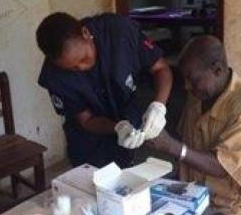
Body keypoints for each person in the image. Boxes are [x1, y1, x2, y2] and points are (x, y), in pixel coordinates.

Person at [144, 36, 241, 215]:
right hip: (198, 193)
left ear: (218, 70)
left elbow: (222, 166)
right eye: (185, 79)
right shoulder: (198, 95)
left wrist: (170, 146)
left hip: (238, 207)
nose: (187, 86)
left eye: (193, 79)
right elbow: (187, 142)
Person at [35, 12, 173, 168]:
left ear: (86, 33)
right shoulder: (54, 77)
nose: (81, 67)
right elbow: (86, 120)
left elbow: (161, 68)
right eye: (72, 69)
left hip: (126, 113)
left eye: (83, 59)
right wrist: (117, 127)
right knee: (89, 182)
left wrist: (158, 106)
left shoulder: (120, 32)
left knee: (126, 174)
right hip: (87, 141)